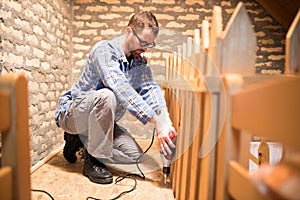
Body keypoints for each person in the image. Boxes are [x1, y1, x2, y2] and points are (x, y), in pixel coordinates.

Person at [55, 11, 177, 184]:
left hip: (101, 123)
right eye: (142, 42)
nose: (145, 48)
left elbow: (152, 90)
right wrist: (156, 123)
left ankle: (81, 141)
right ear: (128, 32)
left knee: (134, 156)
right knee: (107, 95)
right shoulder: (103, 50)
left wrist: (165, 123)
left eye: (150, 44)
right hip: (71, 114)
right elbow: (120, 87)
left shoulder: (139, 62)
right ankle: (93, 159)